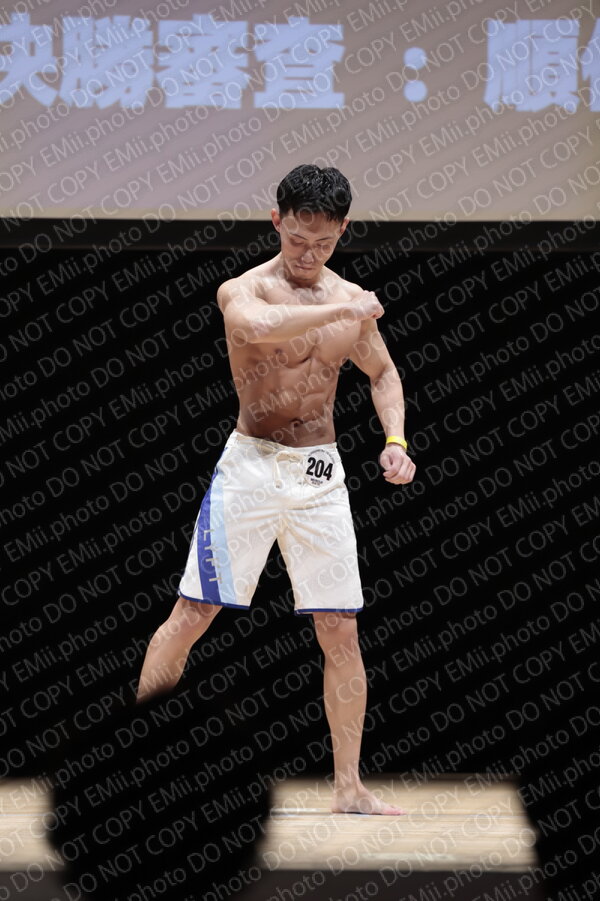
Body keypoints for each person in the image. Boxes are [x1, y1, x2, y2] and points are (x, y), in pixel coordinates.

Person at [136, 164, 416, 815]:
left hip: (320, 474)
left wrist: (396, 440)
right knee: (191, 615)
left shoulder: (350, 299)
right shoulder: (243, 289)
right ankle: (134, 764)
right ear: (275, 222)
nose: (308, 254)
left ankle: (348, 787)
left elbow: (382, 372)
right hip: (251, 467)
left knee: (340, 629)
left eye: (323, 242)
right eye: (296, 239)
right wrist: (343, 309)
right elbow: (259, 329)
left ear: (343, 230)